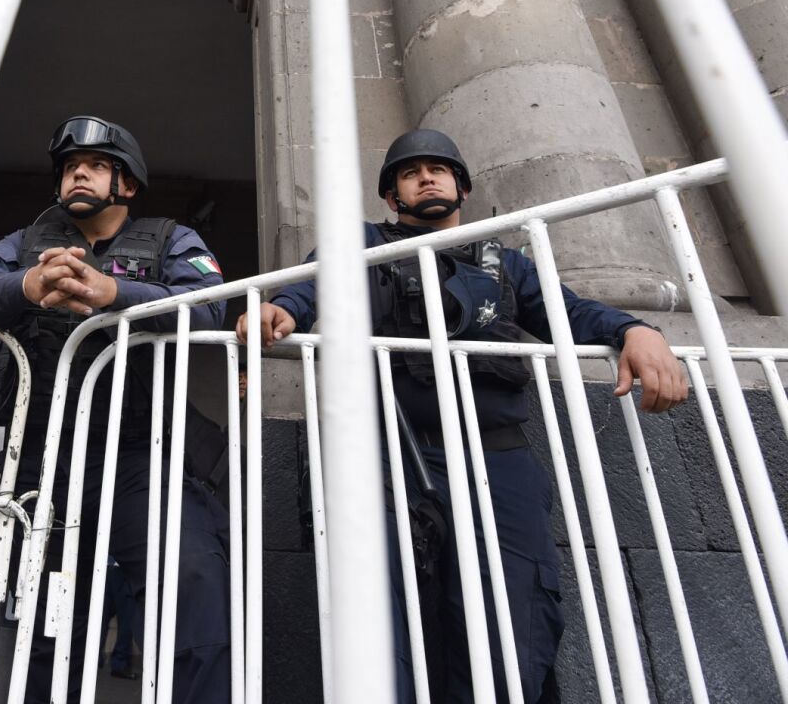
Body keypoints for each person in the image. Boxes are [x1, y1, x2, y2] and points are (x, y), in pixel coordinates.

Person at [237, 128, 687, 703]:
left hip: (495, 457)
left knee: (511, 617)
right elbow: (305, 291)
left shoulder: (508, 264)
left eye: (439, 169)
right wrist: (279, 312)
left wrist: (636, 329)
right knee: (380, 624)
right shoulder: (359, 246)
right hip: (386, 457)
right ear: (392, 196)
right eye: (410, 172)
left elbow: (569, 313)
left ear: (462, 187)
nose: (426, 177)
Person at [0, 114, 231, 704]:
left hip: (139, 455)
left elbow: (207, 307)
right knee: (48, 628)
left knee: (195, 588)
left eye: (97, 165)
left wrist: (113, 294)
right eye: (70, 166)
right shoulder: (23, 245)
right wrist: (25, 287)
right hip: (45, 462)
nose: (79, 172)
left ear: (125, 184)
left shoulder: (169, 239)